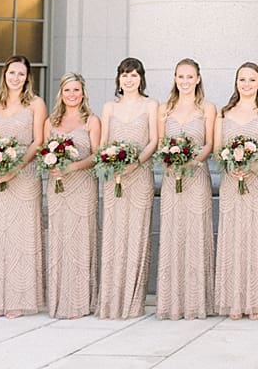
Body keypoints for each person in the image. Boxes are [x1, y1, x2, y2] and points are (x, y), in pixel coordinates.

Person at [0, 54, 47, 318]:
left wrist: (16, 168)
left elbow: (38, 141)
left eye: (21, 73)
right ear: (4, 75)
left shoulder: (35, 105)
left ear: (28, 77)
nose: (15, 78)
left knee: (21, 236)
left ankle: (19, 300)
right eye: (11, 73)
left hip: (24, 174)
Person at [214, 62, 258, 319]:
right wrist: (231, 168)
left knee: (257, 237)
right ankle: (233, 301)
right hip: (232, 182)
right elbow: (219, 149)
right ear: (236, 82)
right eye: (242, 79)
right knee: (234, 238)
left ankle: (256, 301)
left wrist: (254, 166)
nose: (247, 84)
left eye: (252, 80)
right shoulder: (225, 112)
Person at [97, 57, 158, 319]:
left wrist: (136, 164)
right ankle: (111, 301)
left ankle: (133, 301)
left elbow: (154, 140)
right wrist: (112, 161)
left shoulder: (151, 105)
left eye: (133, 75)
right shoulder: (109, 107)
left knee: (136, 235)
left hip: (139, 175)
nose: (129, 79)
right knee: (114, 236)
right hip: (115, 178)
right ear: (118, 79)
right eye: (124, 75)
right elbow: (102, 143)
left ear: (141, 78)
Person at [155, 58, 216, 319]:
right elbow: (159, 142)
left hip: (196, 177)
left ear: (198, 78)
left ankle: (196, 302)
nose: (185, 81)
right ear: (175, 78)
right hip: (172, 178)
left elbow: (210, 144)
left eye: (190, 77)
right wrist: (170, 160)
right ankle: (172, 302)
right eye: (181, 76)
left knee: (195, 234)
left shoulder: (208, 108)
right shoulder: (164, 108)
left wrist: (192, 160)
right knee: (173, 234)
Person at [44, 72, 101, 319]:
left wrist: (73, 166)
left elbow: (98, 155)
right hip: (58, 187)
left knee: (80, 240)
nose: (72, 95)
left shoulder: (92, 120)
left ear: (83, 93)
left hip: (82, 186)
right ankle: (58, 299)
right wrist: (53, 166)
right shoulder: (51, 122)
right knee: (59, 238)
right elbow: (44, 153)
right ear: (61, 93)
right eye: (68, 90)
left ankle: (80, 301)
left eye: (76, 90)